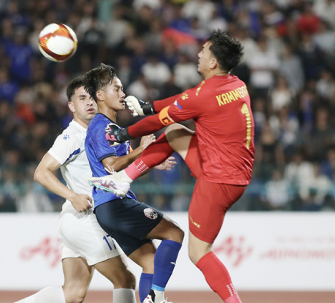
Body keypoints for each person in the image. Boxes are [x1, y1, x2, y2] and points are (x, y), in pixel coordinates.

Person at [90, 30, 254, 303]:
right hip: (235, 171)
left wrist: (124, 133)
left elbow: (160, 120)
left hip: (217, 180)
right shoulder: (235, 84)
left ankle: (233, 301)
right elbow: (182, 102)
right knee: (176, 133)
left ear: (213, 62)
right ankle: (125, 179)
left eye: (204, 51)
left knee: (198, 253)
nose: (199, 54)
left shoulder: (204, 95)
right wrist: (147, 106)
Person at [15, 76, 136, 303]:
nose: (89, 102)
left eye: (91, 97)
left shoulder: (100, 131)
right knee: (125, 280)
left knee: (73, 293)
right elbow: (41, 172)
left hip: (76, 220)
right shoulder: (72, 136)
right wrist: (73, 196)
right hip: (85, 219)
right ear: (71, 106)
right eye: (81, 98)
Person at [83, 64, 184, 303]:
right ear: (100, 95)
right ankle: (156, 298)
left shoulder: (113, 128)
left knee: (150, 263)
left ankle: (151, 298)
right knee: (174, 233)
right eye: (116, 89)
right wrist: (141, 149)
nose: (122, 94)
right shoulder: (101, 127)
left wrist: (150, 161)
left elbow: (127, 167)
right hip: (114, 205)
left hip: (108, 209)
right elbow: (112, 166)